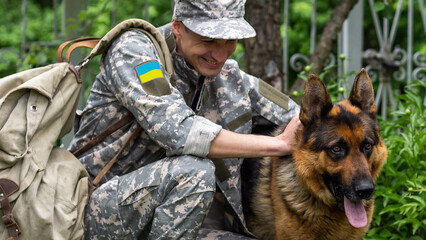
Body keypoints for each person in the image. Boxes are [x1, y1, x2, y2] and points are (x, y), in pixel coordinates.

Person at [69, 0, 301, 239]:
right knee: (194, 170)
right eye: (208, 40)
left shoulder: (228, 76)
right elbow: (178, 132)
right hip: (92, 209)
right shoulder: (135, 53)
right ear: (177, 27)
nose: (220, 55)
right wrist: (279, 144)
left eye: (230, 41)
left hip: (163, 220)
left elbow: (302, 118)